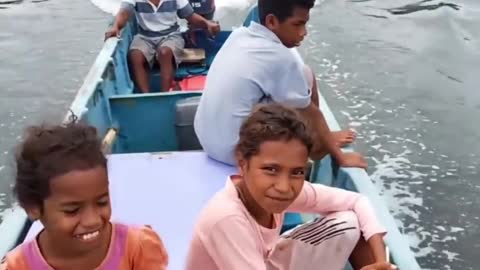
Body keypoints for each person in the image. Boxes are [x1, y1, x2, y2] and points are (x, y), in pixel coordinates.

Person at [186, 103, 396, 270]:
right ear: (242, 163)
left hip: (262, 260)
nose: (284, 187)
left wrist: (379, 260)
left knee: (350, 222)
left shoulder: (273, 191)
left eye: (297, 171)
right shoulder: (227, 219)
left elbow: (356, 200)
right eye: (271, 169)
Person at [193, 0, 364, 168]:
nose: (303, 32)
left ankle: (321, 138)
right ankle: (316, 146)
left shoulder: (239, 36)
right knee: (306, 76)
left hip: (208, 143)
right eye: (297, 24)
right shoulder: (280, 56)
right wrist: (341, 158)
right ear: (272, 21)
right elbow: (312, 113)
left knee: (292, 85)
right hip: (237, 154)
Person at [1, 123, 168, 269]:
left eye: (102, 202)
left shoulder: (138, 247)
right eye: (72, 211)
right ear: (33, 208)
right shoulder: (18, 266)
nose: (92, 220)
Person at [105, 0, 220, 93]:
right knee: (135, 56)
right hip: (145, 36)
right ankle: (146, 96)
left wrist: (207, 24)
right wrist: (116, 27)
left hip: (171, 35)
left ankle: (164, 93)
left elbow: (190, 15)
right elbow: (124, 12)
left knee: (164, 52)